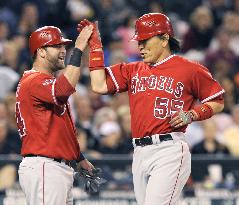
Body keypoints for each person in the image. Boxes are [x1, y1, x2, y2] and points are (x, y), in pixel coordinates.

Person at [78, 13, 225, 205]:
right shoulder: (133, 69)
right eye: (139, 41)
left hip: (169, 149)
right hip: (139, 151)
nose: (140, 46)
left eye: (146, 40)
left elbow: (217, 100)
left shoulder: (190, 69)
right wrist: (96, 47)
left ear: (164, 39)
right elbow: (99, 85)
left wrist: (193, 114)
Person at [16, 25, 95, 205]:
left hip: (53, 167)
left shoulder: (43, 82)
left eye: (64, 46)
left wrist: (78, 157)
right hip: (45, 167)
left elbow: (61, 126)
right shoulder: (34, 80)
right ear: (41, 52)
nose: (63, 50)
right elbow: (64, 90)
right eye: (57, 46)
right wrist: (79, 48)